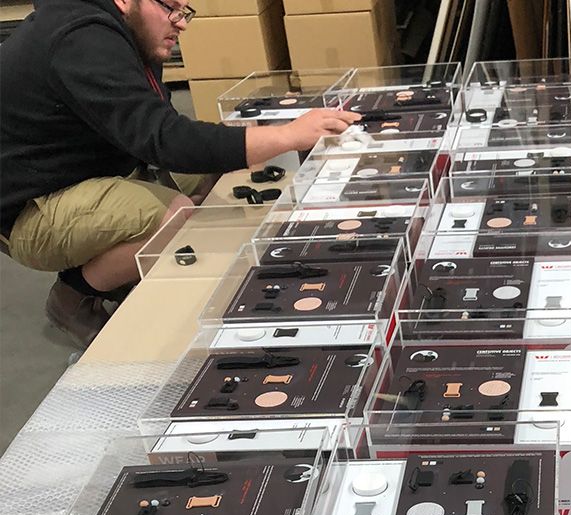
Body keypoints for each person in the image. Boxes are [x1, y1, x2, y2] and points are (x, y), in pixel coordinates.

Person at [0, 0, 359, 346]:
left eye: (184, 11)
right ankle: (73, 293)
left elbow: (161, 123)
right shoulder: (81, 39)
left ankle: (120, 263)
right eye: (170, 8)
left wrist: (254, 146)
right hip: (28, 208)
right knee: (174, 215)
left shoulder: (128, 31)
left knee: (210, 175)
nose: (181, 22)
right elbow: (163, 140)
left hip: (84, 166)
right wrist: (287, 135)